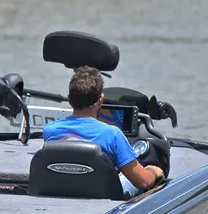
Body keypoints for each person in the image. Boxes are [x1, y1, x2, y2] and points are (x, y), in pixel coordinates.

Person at [42, 66, 164, 197]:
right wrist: (153, 171)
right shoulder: (112, 135)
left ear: (69, 98)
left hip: (62, 191)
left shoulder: (50, 130)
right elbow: (142, 182)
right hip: (102, 198)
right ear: (101, 99)